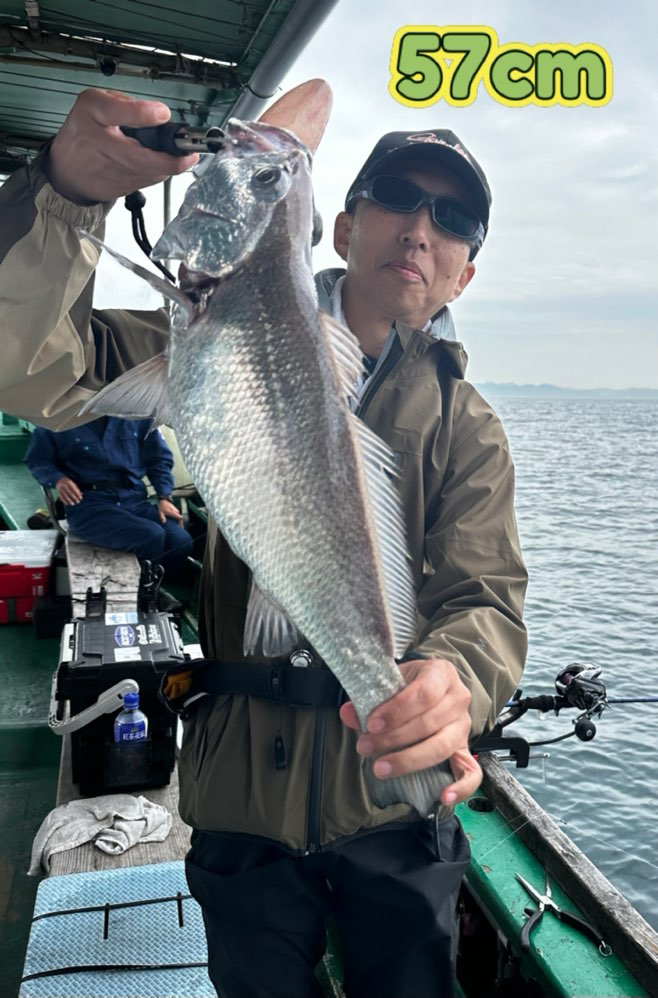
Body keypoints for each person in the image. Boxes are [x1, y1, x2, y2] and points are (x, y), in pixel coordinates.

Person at [0, 84, 527, 998]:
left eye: (452, 220)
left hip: (391, 810)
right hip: (238, 796)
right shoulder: (205, 329)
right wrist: (63, 194)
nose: (419, 229)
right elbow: (29, 363)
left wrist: (456, 682)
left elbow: (484, 599)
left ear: (463, 274)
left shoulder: (467, 426)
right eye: (399, 197)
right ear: (342, 226)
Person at [24, 416, 193, 578]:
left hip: (134, 500)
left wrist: (164, 497)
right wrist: (58, 479)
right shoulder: (56, 421)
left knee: (180, 541)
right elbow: (37, 461)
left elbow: (159, 460)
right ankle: (144, 591)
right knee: (150, 536)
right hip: (89, 505)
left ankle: (160, 583)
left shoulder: (139, 417)